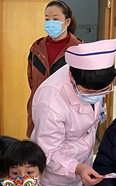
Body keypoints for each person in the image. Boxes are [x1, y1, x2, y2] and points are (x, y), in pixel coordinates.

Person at [30, 39, 116, 186]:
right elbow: (47, 152)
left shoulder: (92, 81)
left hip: (83, 165)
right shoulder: (50, 100)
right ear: (72, 77)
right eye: (89, 92)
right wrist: (77, 168)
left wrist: (83, 166)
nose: (96, 95)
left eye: (103, 91)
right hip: (58, 178)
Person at [26, 1, 82, 138]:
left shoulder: (78, 49)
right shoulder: (36, 48)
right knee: (38, 148)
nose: (50, 23)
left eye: (55, 19)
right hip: (39, 109)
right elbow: (31, 80)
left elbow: (82, 84)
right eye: (47, 19)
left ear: (67, 22)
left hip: (67, 113)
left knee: (63, 148)